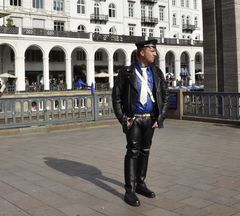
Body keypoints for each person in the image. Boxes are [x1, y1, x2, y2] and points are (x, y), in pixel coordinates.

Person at [112, 39, 169, 207]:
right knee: (132, 152)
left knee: (145, 151)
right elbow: (116, 97)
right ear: (142, 52)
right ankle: (130, 190)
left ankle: (140, 183)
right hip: (134, 119)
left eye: (155, 50)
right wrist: (123, 118)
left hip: (150, 118)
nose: (155, 53)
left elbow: (165, 96)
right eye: (152, 50)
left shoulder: (157, 72)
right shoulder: (127, 72)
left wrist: (160, 117)